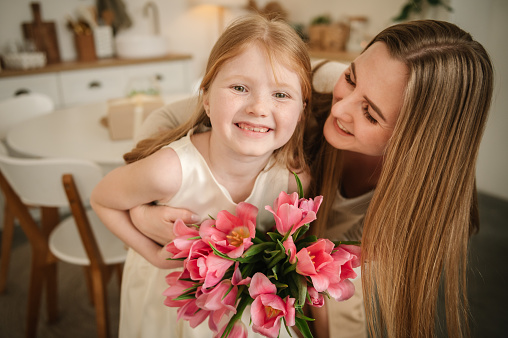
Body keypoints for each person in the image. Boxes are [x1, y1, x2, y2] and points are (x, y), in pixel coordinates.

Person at [130, 19, 494, 338]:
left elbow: (337, 301)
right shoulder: (315, 83)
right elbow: (166, 119)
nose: (339, 107)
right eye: (350, 79)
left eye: (369, 114)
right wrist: (146, 207)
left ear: (417, 141)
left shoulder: (423, 213)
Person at [90, 14, 313, 338]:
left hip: (243, 315)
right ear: (206, 97)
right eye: (240, 87)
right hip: (169, 305)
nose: (259, 108)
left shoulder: (293, 182)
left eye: (281, 95)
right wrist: (152, 253)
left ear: (301, 112)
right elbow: (102, 199)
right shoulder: (168, 171)